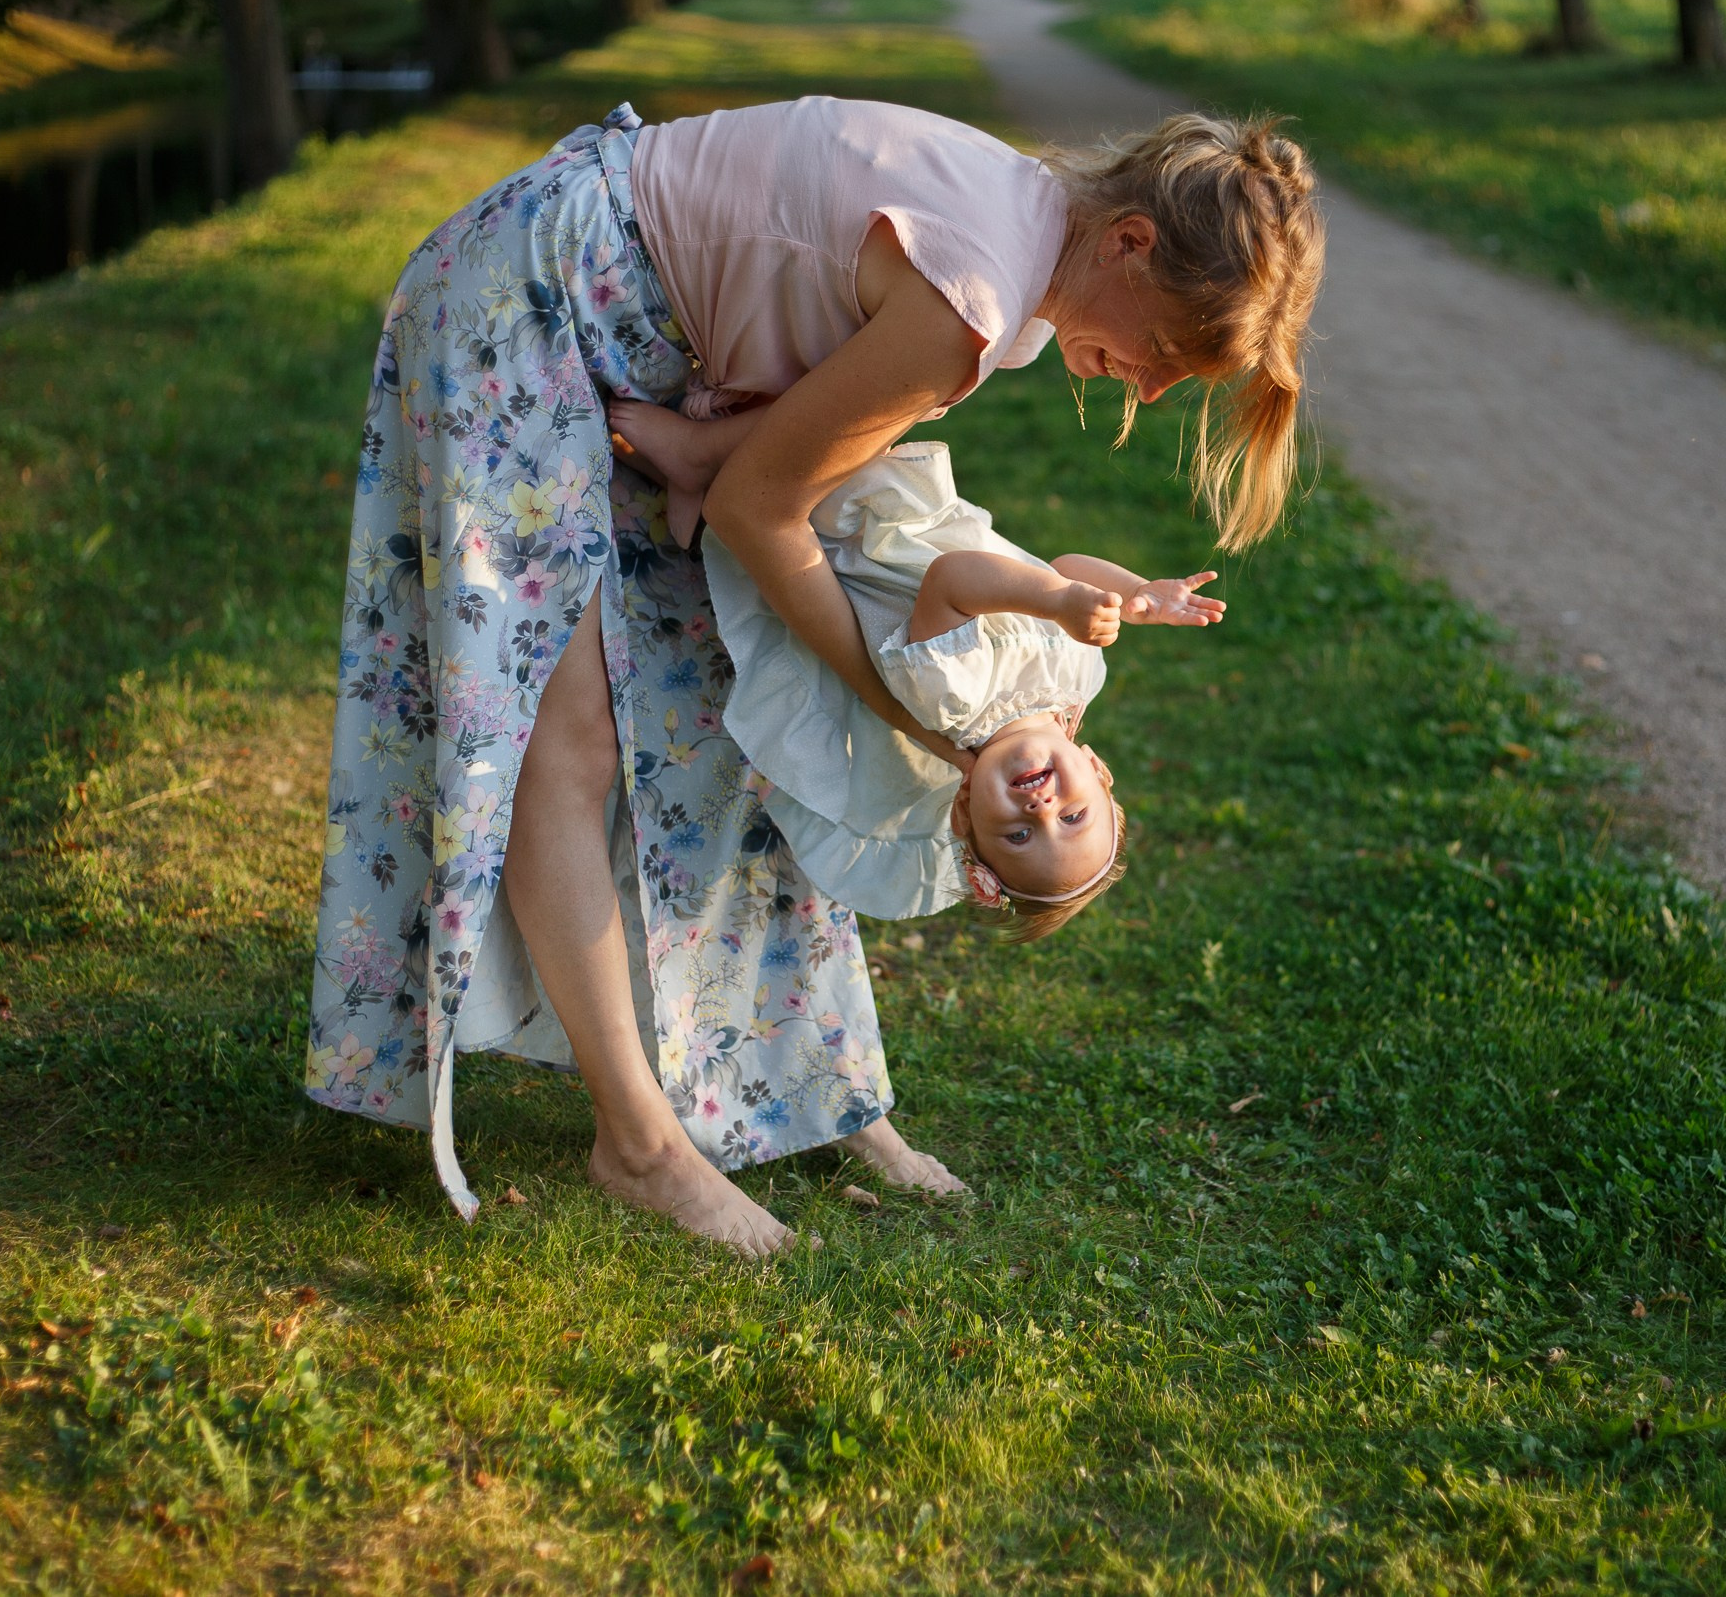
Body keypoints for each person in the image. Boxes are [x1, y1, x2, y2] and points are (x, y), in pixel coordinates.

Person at [307, 96, 1322, 1255]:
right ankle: (637, 1144)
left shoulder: (1021, 251)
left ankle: (813, 1088)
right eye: (1167, 355)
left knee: (724, 733)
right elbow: (757, 511)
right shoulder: (973, 294)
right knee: (563, 730)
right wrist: (907, 710)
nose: (1149, 389)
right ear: (1130, 244)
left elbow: (800, 448)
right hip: (529, 298)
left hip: (632, 337)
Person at [678, 438, 1224, 934]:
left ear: (964, 814)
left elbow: (952, 580)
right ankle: (696, 449)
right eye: (1073, 816)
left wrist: (1059, 602)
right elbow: (1062, 566)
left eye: (1017, 836)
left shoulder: (953, 704)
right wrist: (1132, 593)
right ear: (1098, 771)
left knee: (779, 441)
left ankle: (688, 451)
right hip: (909, 511)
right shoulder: (1082, 678)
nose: (1041, 810)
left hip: (858, 526)